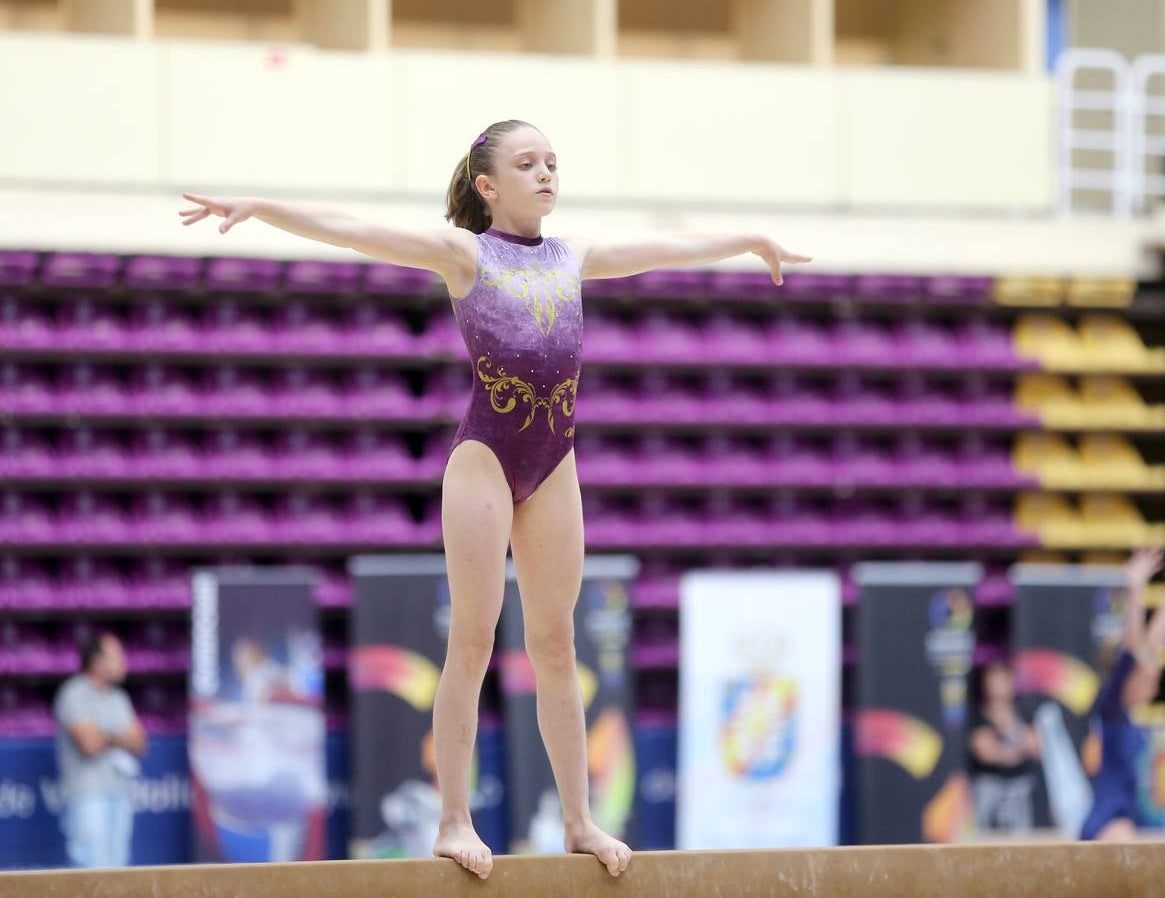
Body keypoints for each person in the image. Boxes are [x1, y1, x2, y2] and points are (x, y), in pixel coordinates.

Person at [178, 118, 810, 879]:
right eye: (527, 164)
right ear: (487, 185)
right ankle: (452, 820)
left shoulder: (573, 257)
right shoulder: (463, 253)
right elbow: (353, 229)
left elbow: (664, 249)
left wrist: (748, 239)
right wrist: (262, 206)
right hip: (483, 461)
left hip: (554, 464)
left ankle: (579, 821)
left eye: (551, 162)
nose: (545, 174)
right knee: (472, 642)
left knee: (556, 644)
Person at [1080, 546, 1165, 841]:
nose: (1156, 678)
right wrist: (1135, 589)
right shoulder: (1111, 710)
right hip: (1107, 824)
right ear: (1125, 680)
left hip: (1125, 820)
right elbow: (1133, 650)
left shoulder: (1127, 718)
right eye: (1148, 674)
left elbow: (1151, 649)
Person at [53, 631, 148, 868]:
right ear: (97, 661)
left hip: (120, 791)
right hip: (87, 795)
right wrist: (120, 737)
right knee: (91, 869)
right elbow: (89, 745)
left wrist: (105, 735)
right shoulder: (73, 693)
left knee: (119, 870)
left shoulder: (119, 698)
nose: (123, 662)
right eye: (117, 656)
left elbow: (140, 743)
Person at [968, 659, 1042, 833]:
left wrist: (1009, 728)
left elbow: (1036, 747)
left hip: (1019, 790)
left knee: (1021, 841)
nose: (1000, 685)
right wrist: (1017, 750)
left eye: (1004, 679)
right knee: (986, 840)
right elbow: (986, 753)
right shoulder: (979, 717)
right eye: (995, 679)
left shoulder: (1024, 713)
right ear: (986, 684)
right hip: (989, 789)